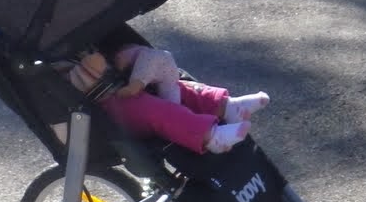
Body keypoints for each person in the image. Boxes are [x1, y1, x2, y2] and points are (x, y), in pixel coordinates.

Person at [64, 43, 269, 154]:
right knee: (158, 110)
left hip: (121, 82)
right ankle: (210, 136)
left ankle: (228, 108)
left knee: (179, 87)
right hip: (105, 108)